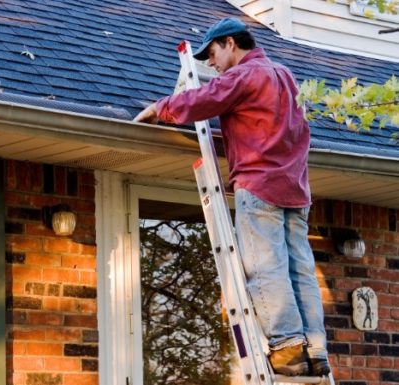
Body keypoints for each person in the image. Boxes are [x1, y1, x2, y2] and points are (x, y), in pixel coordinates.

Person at [134, 17, 330, 377]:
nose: (210, 64)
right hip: (295, 190)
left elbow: (207, 98)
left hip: (260, 188)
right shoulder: (285, 75)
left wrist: (161, 107)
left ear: (229, 43)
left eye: (211, 54)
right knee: (300, 269)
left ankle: (287, 347)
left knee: (265, 268)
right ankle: (315, 350)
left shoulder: (245, 75)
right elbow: (295, 134)